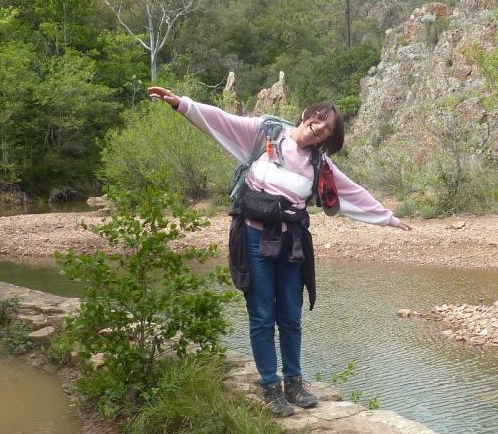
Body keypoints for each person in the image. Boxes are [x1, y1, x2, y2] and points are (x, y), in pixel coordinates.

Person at [146, 86, 412, 417]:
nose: (319, 127)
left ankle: (294, 383)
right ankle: (270, 386)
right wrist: (181, 104)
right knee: (261, 315)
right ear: (306, 115)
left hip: (292, 244)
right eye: (318, 119)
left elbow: (351, 193)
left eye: (327, 129)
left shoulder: (319, 164)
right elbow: (221, 120)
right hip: (254, 239)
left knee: (290, 314)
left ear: (326, 139)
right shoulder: (265, 133)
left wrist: (388, 218)